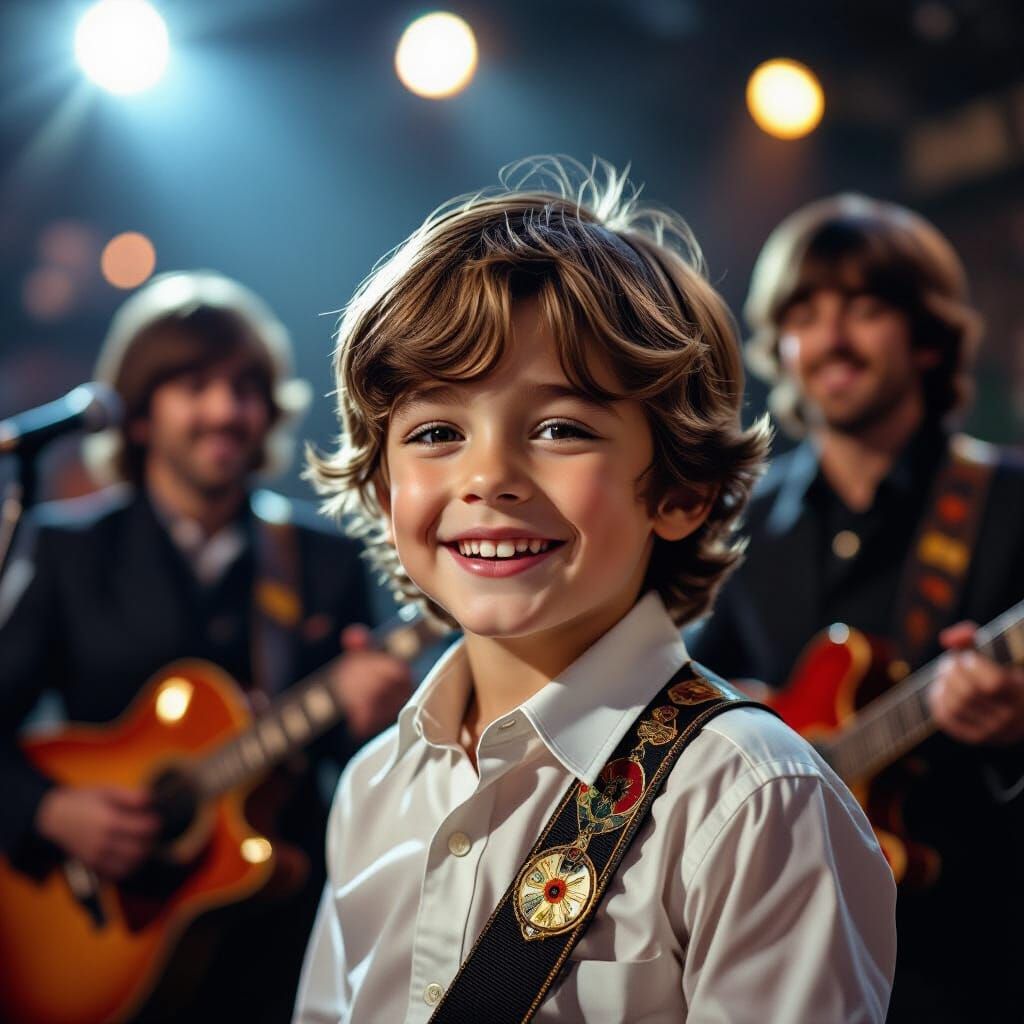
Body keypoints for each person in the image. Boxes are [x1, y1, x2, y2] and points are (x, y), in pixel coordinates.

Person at [293, 159, 896, 1023]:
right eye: (435, 431)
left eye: (559, 428)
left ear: (681, 490)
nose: (488, 476)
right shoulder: (373, 785)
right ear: (386, 493)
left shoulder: (753, 798)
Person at [0, 271, 412, 1021]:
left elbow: (359, 768)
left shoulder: (322, 559)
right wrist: (50, 812)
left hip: (277, 941)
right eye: (195, 386)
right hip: (107, 932)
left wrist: (376, 720)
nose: (225, 410)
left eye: (246, 388)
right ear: (139, 414)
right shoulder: (68, 551)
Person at [688, 194, 1024, 1022]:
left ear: (927, 337)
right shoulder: (741, 523)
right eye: (803, 315)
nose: (831, 338)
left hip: (972, 954)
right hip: (781, 948)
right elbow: (684, 697)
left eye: (865, 308)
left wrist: (1015, 732)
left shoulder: (1009, 501)